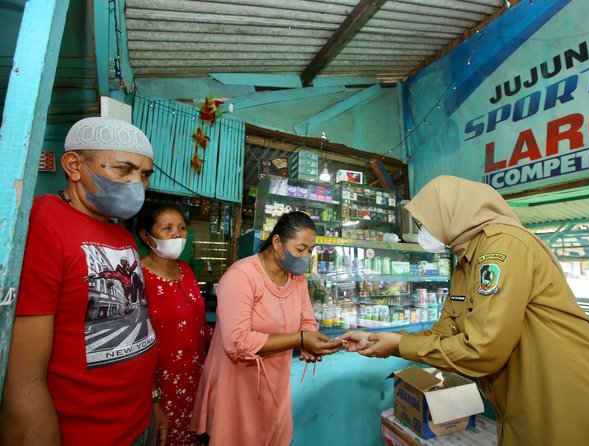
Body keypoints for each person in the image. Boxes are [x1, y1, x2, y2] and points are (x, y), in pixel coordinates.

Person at [342, 176, 589, 446]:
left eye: (424, 221)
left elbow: (482, 349)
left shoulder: (503, 246)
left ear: (453, 212)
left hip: (586, 411)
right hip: (529, 413)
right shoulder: (464, 264)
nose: (422, 230)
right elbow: (443, 336)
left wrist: (399, 345)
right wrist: (381, 338)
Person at [0, 117, 168, 446]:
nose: (137, 184)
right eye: (124, 169)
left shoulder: (121, 233)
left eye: (144, 174)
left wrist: (152, 400)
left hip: (138, 421)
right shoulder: (43, 224)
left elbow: (137, 320)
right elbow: (23, 380)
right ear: (74, 166)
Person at [191, 211, 342, 446]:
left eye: (311, 251)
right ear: (277, 242)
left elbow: (307, 320)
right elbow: (238, 342)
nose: (306, 257)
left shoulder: (297, 278)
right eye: (300, 249)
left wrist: (309, 342)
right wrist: (301, 340)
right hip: (237, 385)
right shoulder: (241, 276)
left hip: (275, 384)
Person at [136, 203, 213, 445]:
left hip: (195, 380)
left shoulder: (186, 271)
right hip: (159, 386)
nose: (177, 234)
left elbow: (197, 323)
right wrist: (154, 396)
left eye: (181, 228)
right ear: (146, 236)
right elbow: (135, 339)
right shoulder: (137, 275)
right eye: (167, 228)